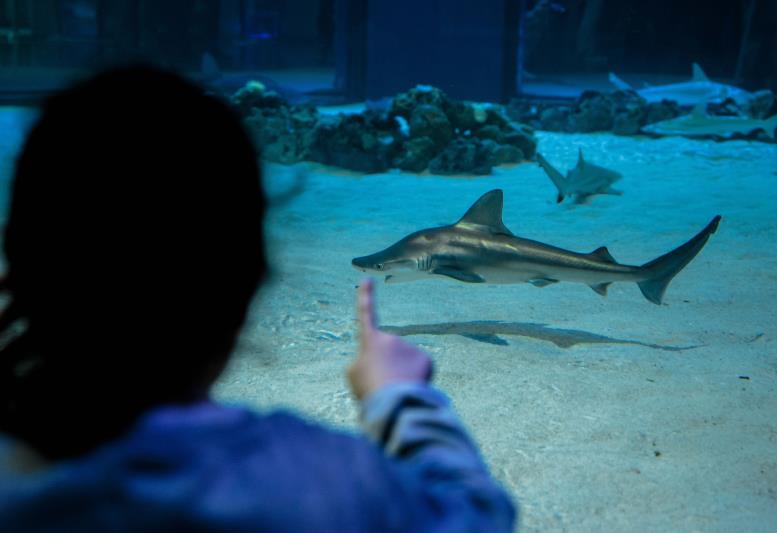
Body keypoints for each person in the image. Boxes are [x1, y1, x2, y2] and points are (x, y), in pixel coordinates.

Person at [0, 66, 515, 531]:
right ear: (252, 282)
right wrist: (401, 398)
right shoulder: (323, 483)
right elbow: (475, 516)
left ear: (17, 263)